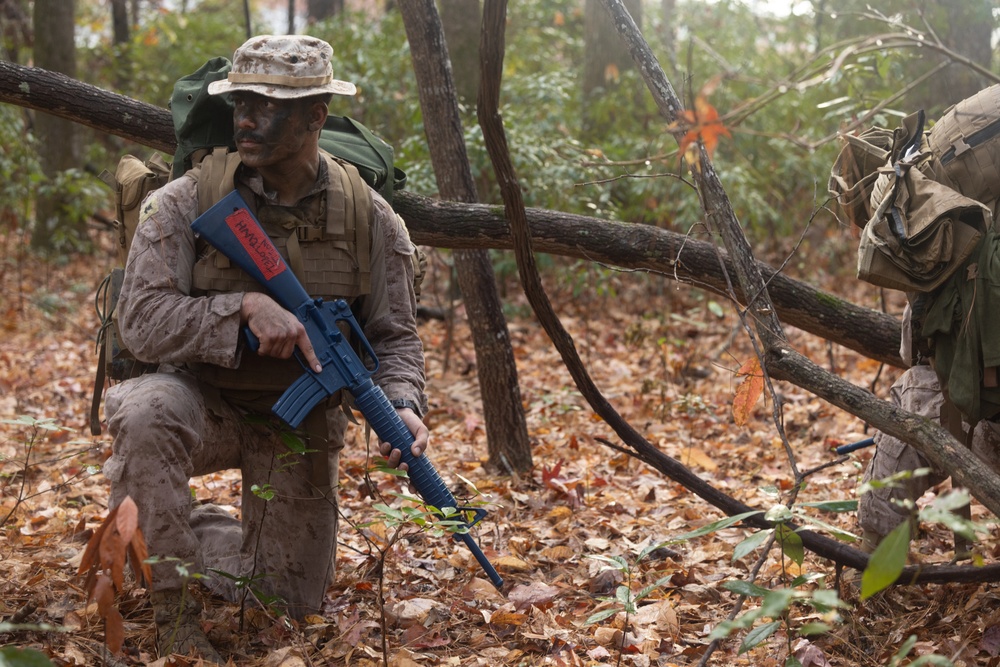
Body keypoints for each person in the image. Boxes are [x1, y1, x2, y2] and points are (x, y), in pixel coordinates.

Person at [102, 34, 429, 662]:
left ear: (316, 116)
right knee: (145, 410)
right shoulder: (186, 200)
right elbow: (139, 320)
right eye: (240, 103)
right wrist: (242, 308)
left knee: (282, 607)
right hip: (202, 401)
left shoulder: (371, 217)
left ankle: (189, 529)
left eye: (268, 105)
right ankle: (176, 610)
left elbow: (394, 335)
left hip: (297, 420)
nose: (246, 119)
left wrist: (403, 401)